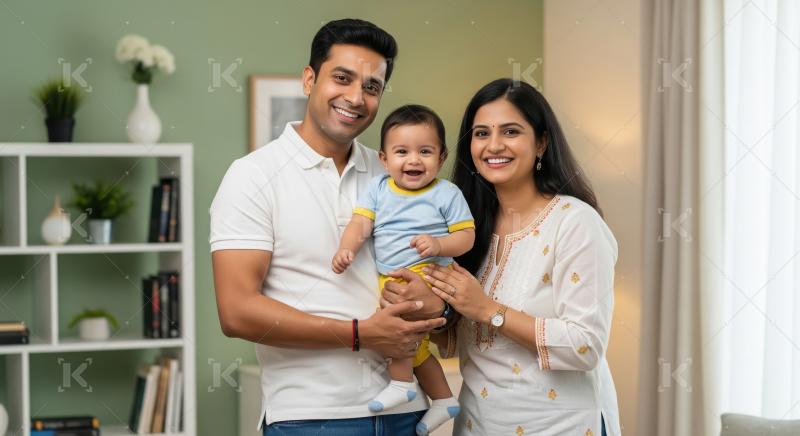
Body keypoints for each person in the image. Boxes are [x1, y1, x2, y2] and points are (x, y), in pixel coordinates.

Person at [210, 19, 448, 435]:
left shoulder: (394, 173)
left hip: (406, 412)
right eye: (342, 78)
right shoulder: (252, 176)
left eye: (371, 87)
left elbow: (441, 271)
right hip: (309, 419)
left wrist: (436, 303)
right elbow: (237, 312)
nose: (355, 97)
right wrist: (361, 334)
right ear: (309, 79)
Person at [414, 78, 621, 435]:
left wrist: (488, 309)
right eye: (481, 133)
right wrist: (422, 312)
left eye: (510, 131)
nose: (494, 145)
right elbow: (466, 342)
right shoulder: (465, 230)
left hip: (562, 427)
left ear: (541, 142)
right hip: (479, 424)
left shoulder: (575, 222)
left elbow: (585, 346)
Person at [332, 104, 474, 435]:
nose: (414, 160)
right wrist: (346, 248)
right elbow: (360, 224)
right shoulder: (379, 189)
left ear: (441, 157)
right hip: (391, 276)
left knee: (398, 330)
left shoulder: (446, 193)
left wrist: (439, 244)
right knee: (417, 346)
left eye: (425, 151)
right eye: (402, 152)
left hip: (427, 273)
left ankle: (401, 383)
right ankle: (443, 399)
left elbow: (466, 237)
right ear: (384, 159)